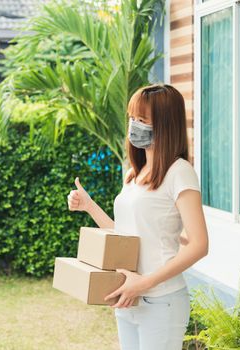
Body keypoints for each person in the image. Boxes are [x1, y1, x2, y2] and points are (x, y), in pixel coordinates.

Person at [67, 84, 209, 350]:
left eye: (142, 120)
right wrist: (88, 206)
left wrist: (144, 283)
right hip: (128, 296)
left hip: (161, 300)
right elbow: (125, 235)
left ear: (165, 124)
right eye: (132, 118)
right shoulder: (134, 174)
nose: (134, 126)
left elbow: (200, 244)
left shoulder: (180, 172)